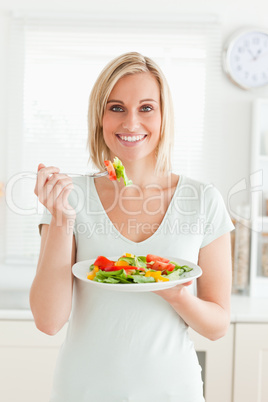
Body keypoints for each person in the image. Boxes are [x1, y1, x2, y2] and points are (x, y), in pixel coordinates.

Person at [30, 52, 234, 402]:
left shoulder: (203, 199)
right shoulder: (70, 196)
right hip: (83, 391)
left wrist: (177, 294)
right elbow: (49, 322)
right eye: (117, 108)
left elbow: (216, 326)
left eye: (146, 108)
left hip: (173, 392)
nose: (131, 123)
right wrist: (62, 217)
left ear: (164, 116)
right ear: (100, 117)